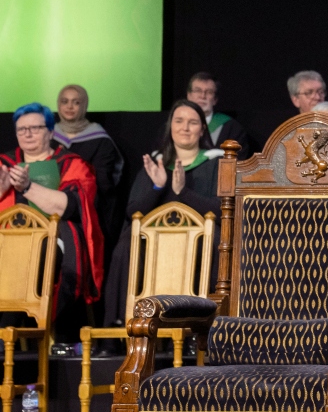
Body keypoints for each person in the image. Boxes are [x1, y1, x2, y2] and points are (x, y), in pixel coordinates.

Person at [102, 100, 223, 329]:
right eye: (179, 121)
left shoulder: (215, 163)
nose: (185, 128)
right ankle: (120, 323)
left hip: (200, 239)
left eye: (192, 122)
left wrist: (182, 193)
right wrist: (157, 188)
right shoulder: (155, 164)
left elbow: (221, 210)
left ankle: (200, 325)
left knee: (216, 241)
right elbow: (133, 213)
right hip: (156, 239)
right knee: (126, 243)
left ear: (202, 129)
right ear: (170, 127)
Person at [0, 103, 105, 340]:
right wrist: (3, 187)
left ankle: (13, 332)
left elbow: (68, 206)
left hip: (53, 239)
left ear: (50, 131)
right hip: (6, 241)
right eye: (21, 129)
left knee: (40, 253)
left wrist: (26, 186)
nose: (27, 134)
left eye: (35, 128)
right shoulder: (4, 164)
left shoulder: (71, 164)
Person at [53, 85, 124, 242]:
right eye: (64, 101)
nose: (69, 106)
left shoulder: (99, 139)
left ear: (84, 105)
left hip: (89, 208)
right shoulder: (48, 136)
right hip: (50, 206)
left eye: (76, 102)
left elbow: (103, 181)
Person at [186, 72, 253, 160]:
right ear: (188, 95)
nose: (202, 96)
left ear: (215, 100)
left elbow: (238, 162)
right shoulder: (174, 126)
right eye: (198, 90)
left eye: (209, 92)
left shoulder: (232, 129)